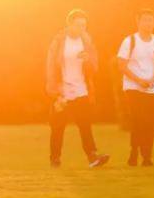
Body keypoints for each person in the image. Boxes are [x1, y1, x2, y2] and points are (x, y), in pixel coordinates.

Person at [46, 9, 110, 168]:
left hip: (82, 90)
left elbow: (94, 68)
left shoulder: (87, 42)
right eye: (79, 25)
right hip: (63, 91)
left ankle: (92, 156)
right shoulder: (59, 41)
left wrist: (87, 60)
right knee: (57, 127)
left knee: (85, 125)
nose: (82, 28)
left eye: (85, 25)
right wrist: (55, 93)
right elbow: (50, 67)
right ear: (69, 24)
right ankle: (55, 158)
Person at [116, 9, 154, 166]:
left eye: (151, 20)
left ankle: (147, 156)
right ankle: (134, 152)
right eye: (145, 20)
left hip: (151, 88)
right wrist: (139, 80)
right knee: (138, 119)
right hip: (133, 87)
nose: (148, 23)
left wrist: (153, 79)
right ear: (137, 21)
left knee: (149, 122)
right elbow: (122, 65)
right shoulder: (129, 41)